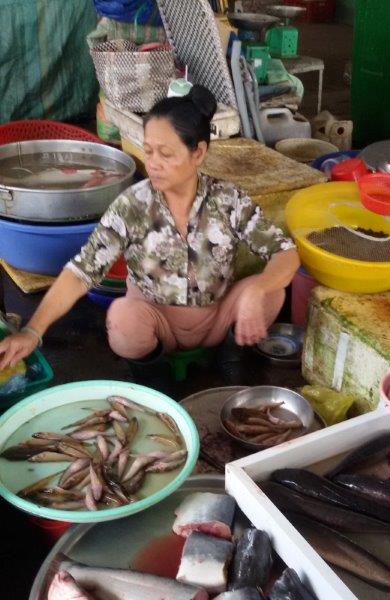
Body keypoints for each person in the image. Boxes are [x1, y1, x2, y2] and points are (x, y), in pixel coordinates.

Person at [0, 85, 300, 384]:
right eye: (148, 151)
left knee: (273, 292)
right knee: (122, 318)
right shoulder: (133, 205)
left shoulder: (227, 199)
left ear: (198, 152)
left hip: (216, 318)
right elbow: (81, 271)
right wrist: (32, 331)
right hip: (157, 322)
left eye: (166, 154)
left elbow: (285, 253)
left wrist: (257, 288)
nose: (153, 164)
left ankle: (229, 357)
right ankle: (153, 379)